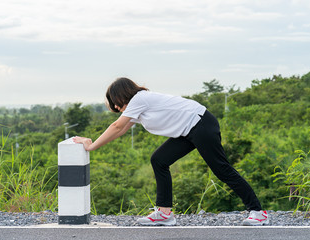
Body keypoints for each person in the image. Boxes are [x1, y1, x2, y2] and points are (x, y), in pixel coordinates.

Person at [73, 77, 269, 226]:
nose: (116, 107)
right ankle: (165, 213)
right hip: (188, 130)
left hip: (201, 124)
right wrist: (92, 141)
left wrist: (91, 146)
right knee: (159, 160)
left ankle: (259, 213)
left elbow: (117, 127)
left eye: (116, 102)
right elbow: (121, 129)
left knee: (221, 169)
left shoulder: (140, 99)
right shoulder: (138, 106)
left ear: (124, 94)